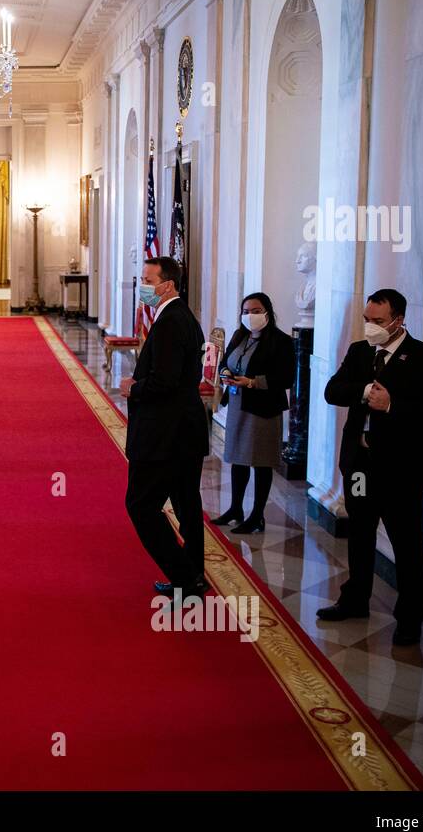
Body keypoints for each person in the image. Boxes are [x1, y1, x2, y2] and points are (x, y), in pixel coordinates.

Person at [318, 288, 423, 645]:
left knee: (407, 544)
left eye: (378, 321)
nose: (370, 327)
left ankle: (409, 618)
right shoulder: (360, 352)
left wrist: (392, 405)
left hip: (402, 468)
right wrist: (363, 392)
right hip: (359, 463)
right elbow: (333, 390)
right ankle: (355, 599)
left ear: (398, 320)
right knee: (359, 533)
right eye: (367, 320)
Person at [120, 256, 210, 600]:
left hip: (166, 436)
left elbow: (165, 381)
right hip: (184, 431)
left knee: (141, 506)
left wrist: (134, 387)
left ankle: (184, 576)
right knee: (186, 504)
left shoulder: (172, 321)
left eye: (147, 279)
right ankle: (194, 576)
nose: (143, 285)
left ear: (167, 284)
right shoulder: (180, 315)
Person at [212, 293, 295, 534]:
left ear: (267, 312)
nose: (251, 315)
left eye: (256, 310)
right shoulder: (240, 336)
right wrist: (226, 371)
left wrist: (252, 382)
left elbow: (286, 377)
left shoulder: (281, 341)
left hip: (264, 409)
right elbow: (225, 361)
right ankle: (235, 508)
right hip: (239, 405)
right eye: (246, 311)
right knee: (238, 458)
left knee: (260, 461)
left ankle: (257, 515)